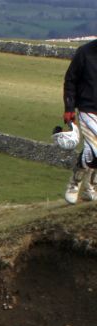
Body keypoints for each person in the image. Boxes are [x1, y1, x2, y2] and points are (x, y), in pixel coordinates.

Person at [63, 36, 97, 204]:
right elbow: (71, 80)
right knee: (94, 150)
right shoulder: (84, 52)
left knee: (93, 150)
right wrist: (69, 108)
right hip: (88, 108)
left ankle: (90, 186)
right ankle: (75, 183)